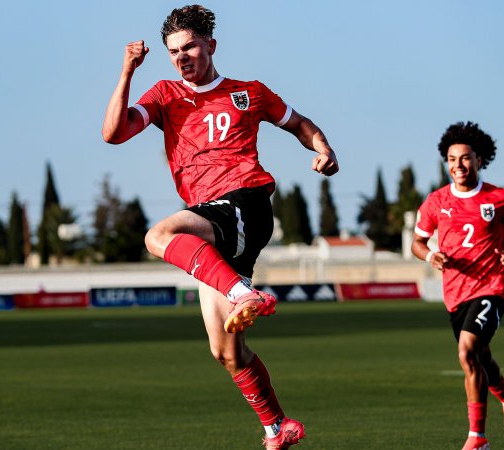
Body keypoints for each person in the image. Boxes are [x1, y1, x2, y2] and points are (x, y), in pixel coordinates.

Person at [102, 5, 338, 449]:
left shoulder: (248, 92)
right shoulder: (166, 94)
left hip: (245, 203)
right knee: (226, 351)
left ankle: (244, 294)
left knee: (159, 236)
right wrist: (127, 72)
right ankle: (277, 427)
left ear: (211, 44)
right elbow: (114, 133)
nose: (181, 56)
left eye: (189, 46)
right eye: (173, 51)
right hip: (212, 220)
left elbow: (299, 123)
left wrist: (323, 147)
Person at [411, 122, 504, 450]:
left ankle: (477, 438)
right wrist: (431, 256)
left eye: (465, 158)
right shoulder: (435, 202)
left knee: (466, 352)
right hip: (455, 293)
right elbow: (417, 243)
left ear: (479, 160)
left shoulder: (499, 197)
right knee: (480, 358)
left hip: (492, 286)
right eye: (451, 159)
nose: (458, 166)